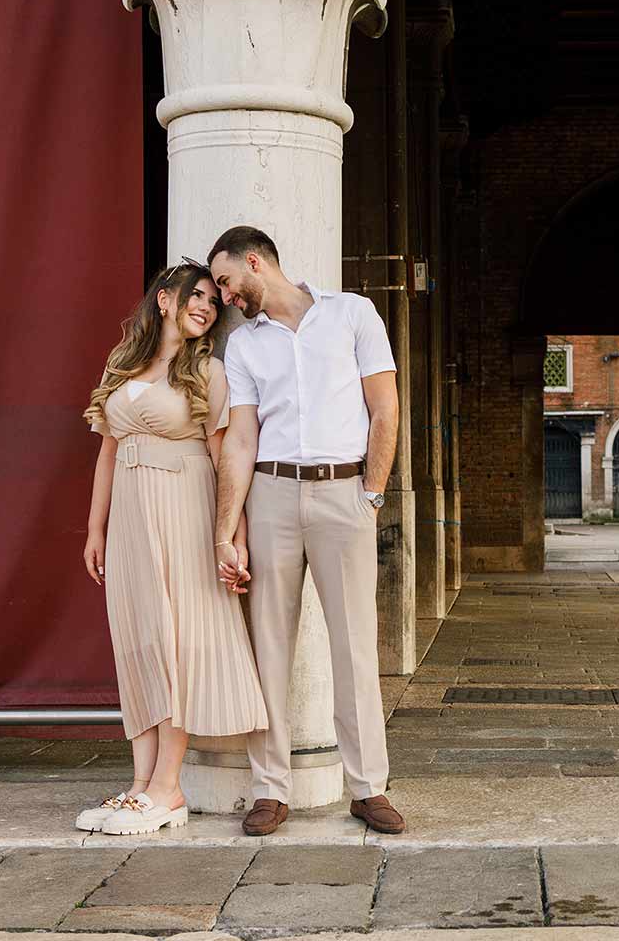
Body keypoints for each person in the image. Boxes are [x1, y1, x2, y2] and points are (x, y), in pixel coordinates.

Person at [208, 225, 405, 836]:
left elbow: (385, 407)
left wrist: (371, 493)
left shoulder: (353, 313)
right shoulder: (242, 347)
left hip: (344, 492)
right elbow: (240, 440)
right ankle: (270, 789)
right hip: (270, 494)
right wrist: (226, 530)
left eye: (225, 280)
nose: (223, 296)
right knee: (269, 646)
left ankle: (368, 787)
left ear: (254, 261)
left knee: (354, 647)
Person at [79, 261, 268, 835]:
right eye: (198, 295)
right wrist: (95, 530)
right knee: (136, 638)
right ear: (165, 299)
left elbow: (224, 457)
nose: (207, 307)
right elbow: (107, 453)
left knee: (174, 642)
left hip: (184, 512)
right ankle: (139, 785)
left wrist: (233, 536)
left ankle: (168, 787)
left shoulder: (208, 373)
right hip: (132, 520)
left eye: (215, 301)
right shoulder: (123, 362)